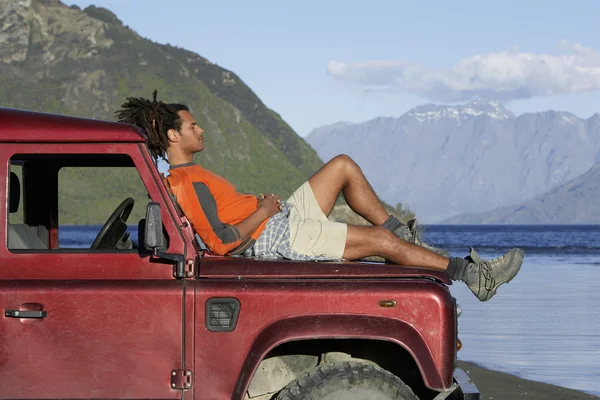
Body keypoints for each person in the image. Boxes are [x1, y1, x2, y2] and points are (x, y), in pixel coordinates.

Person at [116, 92, 524, 302]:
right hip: (272, 237)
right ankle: (475, 277)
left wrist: (259, 206)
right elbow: (222, 242)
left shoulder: (193, 174)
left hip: (276, 220)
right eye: (192, 125)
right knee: (380, 244)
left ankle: (408, 242)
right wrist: (262, 211)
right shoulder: (185, 183)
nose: (200, 130)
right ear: (173, 136)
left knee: (343, 165)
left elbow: (225, 215)